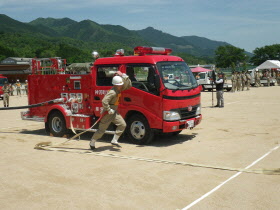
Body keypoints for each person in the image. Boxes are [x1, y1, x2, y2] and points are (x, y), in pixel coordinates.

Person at [89, 71, 132, 150]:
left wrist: (125, 77)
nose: (121, 86)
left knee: (122, 125)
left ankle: (114, 140)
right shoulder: (112, 92)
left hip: (114, 112)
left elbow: (129, 85)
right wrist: (109, 110)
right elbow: (104, 101)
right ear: (115, 85)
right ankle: (92, 141)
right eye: (119, 85)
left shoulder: (119, 89)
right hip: (107, 113)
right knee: (101, 130)